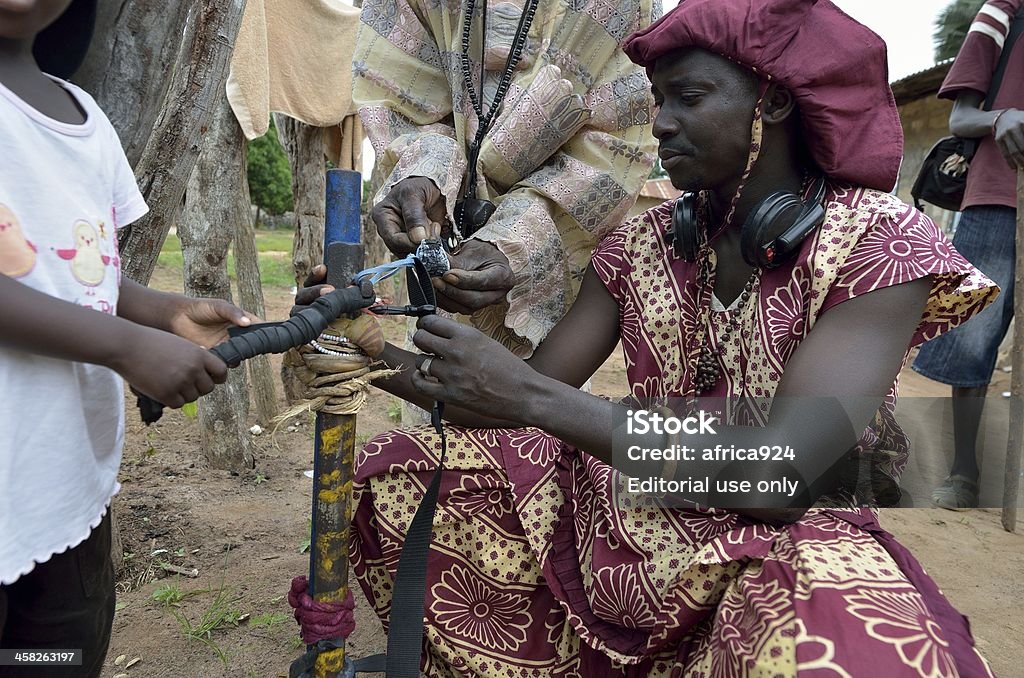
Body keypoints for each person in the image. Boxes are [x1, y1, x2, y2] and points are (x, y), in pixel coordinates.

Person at [300, 0, 999, 674]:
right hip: (630, 525)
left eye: (688, 97)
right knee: (402, 469)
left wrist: (529, 397)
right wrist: (359, 340)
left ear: (775, 103)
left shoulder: (879, 242)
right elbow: (504, 401)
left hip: (786, 548)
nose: (660, 125)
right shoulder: (641, 242)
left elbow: (780, 476)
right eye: (657, 100)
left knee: (851, 647)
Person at [0, 2, 254, 675]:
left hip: (65, 495)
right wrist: (122, 347)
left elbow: (81, 273)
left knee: (49, 657)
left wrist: (164, 314)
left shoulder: (83, 115)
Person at [352, 0, 659, 366]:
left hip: (545, 309)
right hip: (437, 296)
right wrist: (423, 171)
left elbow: (620, 144)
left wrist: (514, 244)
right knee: (435, 397)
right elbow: (395, 89)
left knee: (541, 413)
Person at [912, 0, 1024, 511]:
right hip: (999, 196)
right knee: (973, 334)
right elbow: (962, 116)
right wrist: (1001, 116)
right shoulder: (1004, 13)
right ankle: (965, 470)